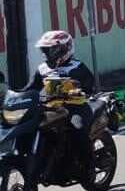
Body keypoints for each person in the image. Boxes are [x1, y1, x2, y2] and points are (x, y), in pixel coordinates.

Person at [24, 30, 98, 161]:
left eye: (52, 50)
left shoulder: (77, 67)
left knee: (78, 130)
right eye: (45, 50)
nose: (48, 54)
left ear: (65, 49)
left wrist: (78, 89)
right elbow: (31, 88)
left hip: (76, 107)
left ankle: (88, 165)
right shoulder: (42, 69)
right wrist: (17, 96)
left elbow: (89, 85)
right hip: (50, 108)